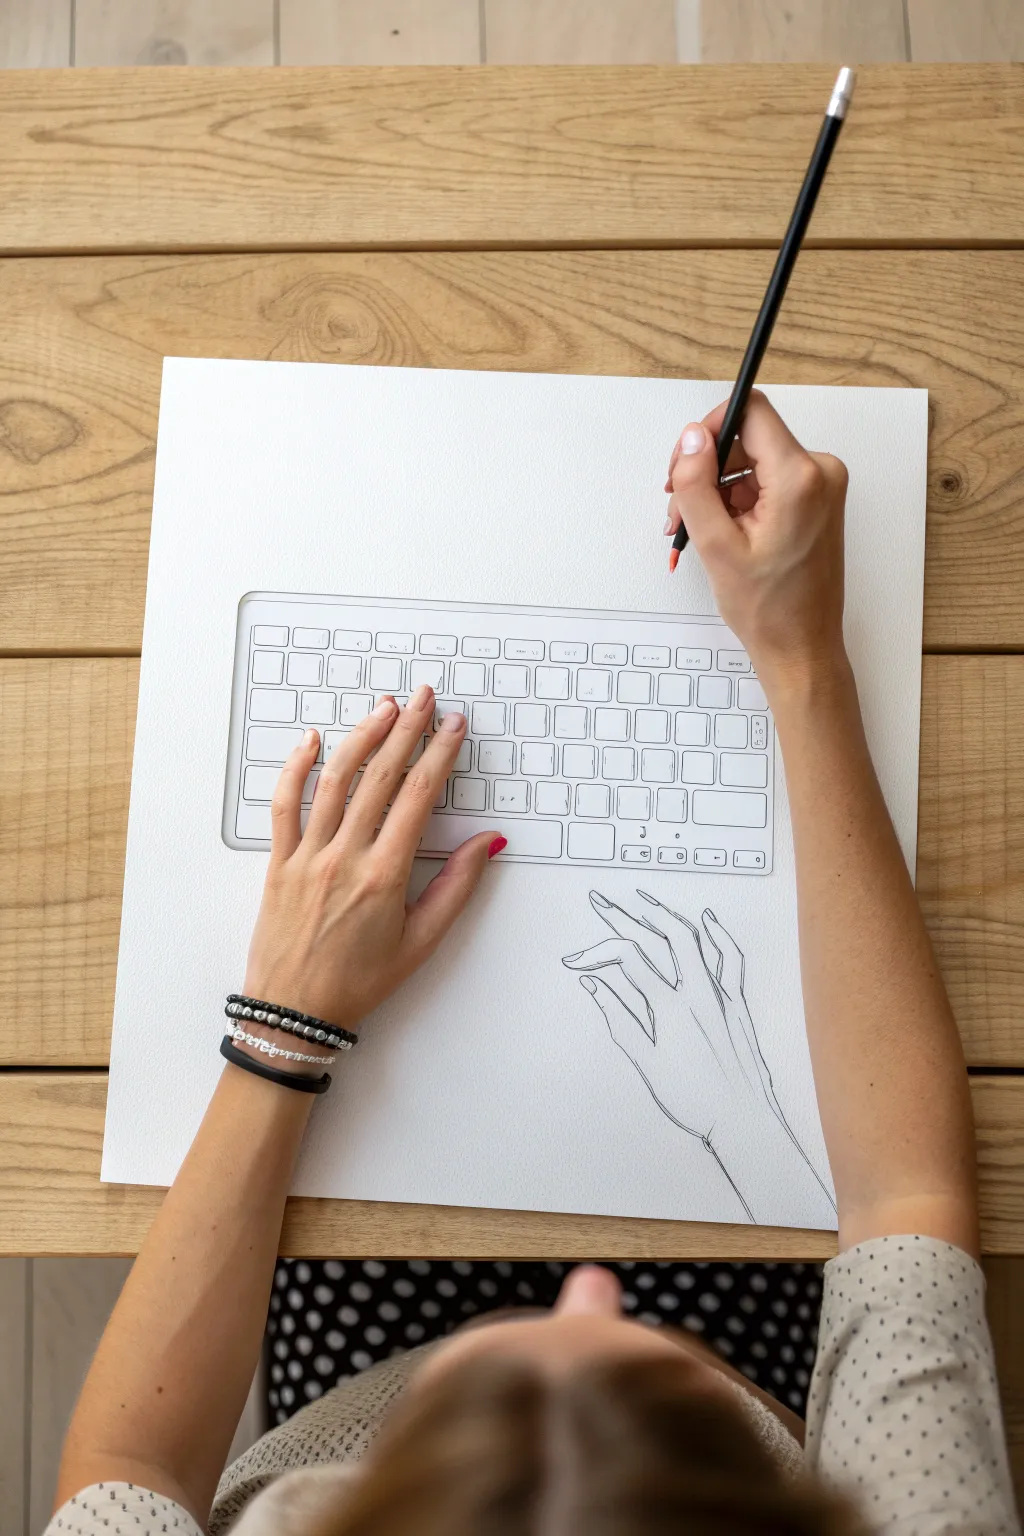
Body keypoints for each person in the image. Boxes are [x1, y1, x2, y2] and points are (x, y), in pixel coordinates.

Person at [47, 394, 1017, 1536]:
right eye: (611, 1354)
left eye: (513, 1375)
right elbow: (906, 1200)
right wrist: (802, 662)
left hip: (362, 1357)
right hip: (745, 1358)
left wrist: (284, 1027)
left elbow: (130, 1459)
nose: (591, 1293)